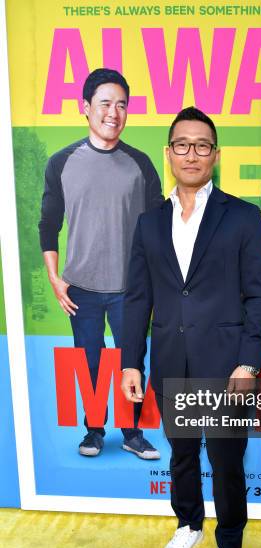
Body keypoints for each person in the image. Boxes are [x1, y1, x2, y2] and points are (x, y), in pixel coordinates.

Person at [121, 107, 261, 548]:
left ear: (216, 154)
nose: (192, 153)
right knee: (182, 456)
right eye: (182, 144)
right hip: (171, 364)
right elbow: (138, 298)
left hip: (229, 369)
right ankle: (188, 525)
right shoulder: (148, 223)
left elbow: (260, 297)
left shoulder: (243, 217)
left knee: (227, 464)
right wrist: (130, 361)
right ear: (169, 154)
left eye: (202, 145)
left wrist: (249, 362)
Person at [39, 68, 163, 459]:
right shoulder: (62, 162)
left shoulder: (140, 164)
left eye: (122, 104)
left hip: (130, 288)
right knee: (89, 363)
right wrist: (55, 279)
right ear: (86, 108)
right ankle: (94, 432)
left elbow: (156, 228)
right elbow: (49, 223)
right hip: (82, 289)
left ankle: (132, 433)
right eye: (106, 103)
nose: (114, 111)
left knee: (132, 362)